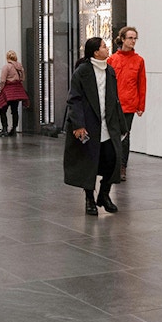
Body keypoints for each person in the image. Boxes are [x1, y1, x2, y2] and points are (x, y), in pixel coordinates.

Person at [63, 37, 127, 215]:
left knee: (113, 159)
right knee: (88, 162)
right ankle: (89, 198)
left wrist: (121, 125)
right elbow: (74, 99)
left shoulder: (110, 71)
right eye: (104, 47)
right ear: (95, 52)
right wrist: (78, 124)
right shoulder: (82, 72)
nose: (107, 49)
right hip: (89, 124)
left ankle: (104, 194)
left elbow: (114, 100)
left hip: (109, 125)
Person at [107, 26, 145, 181]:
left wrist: (141, 105)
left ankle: (122, 167)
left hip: (129, 104)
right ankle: (113, 166)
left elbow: (141, 83)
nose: (133, 41)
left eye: (135, 38)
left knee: (125, 136)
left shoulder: (139, 60)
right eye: (130, 38)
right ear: (122, 39)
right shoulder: (112, 60)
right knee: (112, 136)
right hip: (114, 104)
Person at [0, 49, 28, 136]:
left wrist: (1, 88)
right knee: (14, 110)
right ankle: (14, 129)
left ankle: (4, 129)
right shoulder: (20, 67)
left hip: (8, 90)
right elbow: (22, 79)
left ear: (7, 57)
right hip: (17, 90)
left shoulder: (7, 67)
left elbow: (3, 80)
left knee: (2, 110)